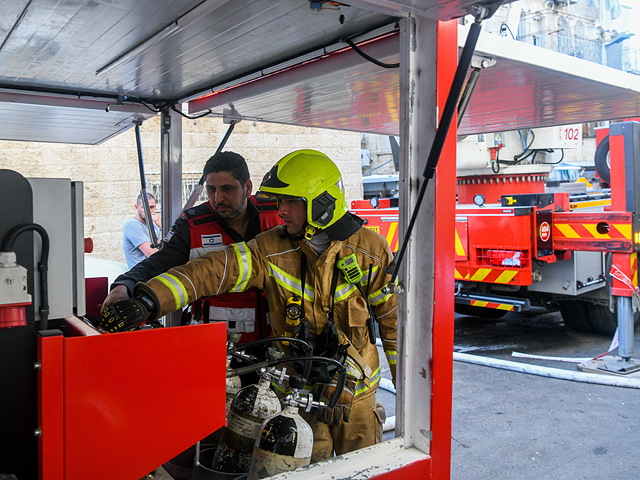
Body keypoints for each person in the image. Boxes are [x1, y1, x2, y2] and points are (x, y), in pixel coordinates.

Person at [100, 149, 398, 463]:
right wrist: (148, 300)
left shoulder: (371, 251)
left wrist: (410, 394)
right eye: (280, 202)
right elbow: (210, 270)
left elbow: (394, 328)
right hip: (297, 392)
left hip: (356, 397)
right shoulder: (270, 247)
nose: (281, 210)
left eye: (290, 202)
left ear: (321, 204)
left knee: (367, 468)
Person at [102, 151, 282, 342]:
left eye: (227, 189)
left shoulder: (278, 216)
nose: (218, 198)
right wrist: (123, 287)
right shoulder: (193, 225)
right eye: (211, 189)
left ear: (247, 188)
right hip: (212, 342)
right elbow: (158, 264)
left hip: (273, 343)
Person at [122, 192, 162, 268]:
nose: (149, 211)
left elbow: (167, 243)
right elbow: (152, 254)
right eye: (145, 207)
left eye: (151, 207)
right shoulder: (133, 225)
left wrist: (161, 225)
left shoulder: (154, 224)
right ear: (137, 207)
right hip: (142, 274)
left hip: (154, 271)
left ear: (155, 207)